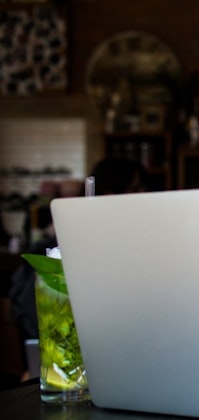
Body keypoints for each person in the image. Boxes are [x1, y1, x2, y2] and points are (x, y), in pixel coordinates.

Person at [8, 157, 149, 382]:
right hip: (64, 372)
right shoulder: (58, 249)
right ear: (109, 193)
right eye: (134, 189)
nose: (143, 195)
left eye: (143, 188)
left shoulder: (140, 249)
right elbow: (32, 317)